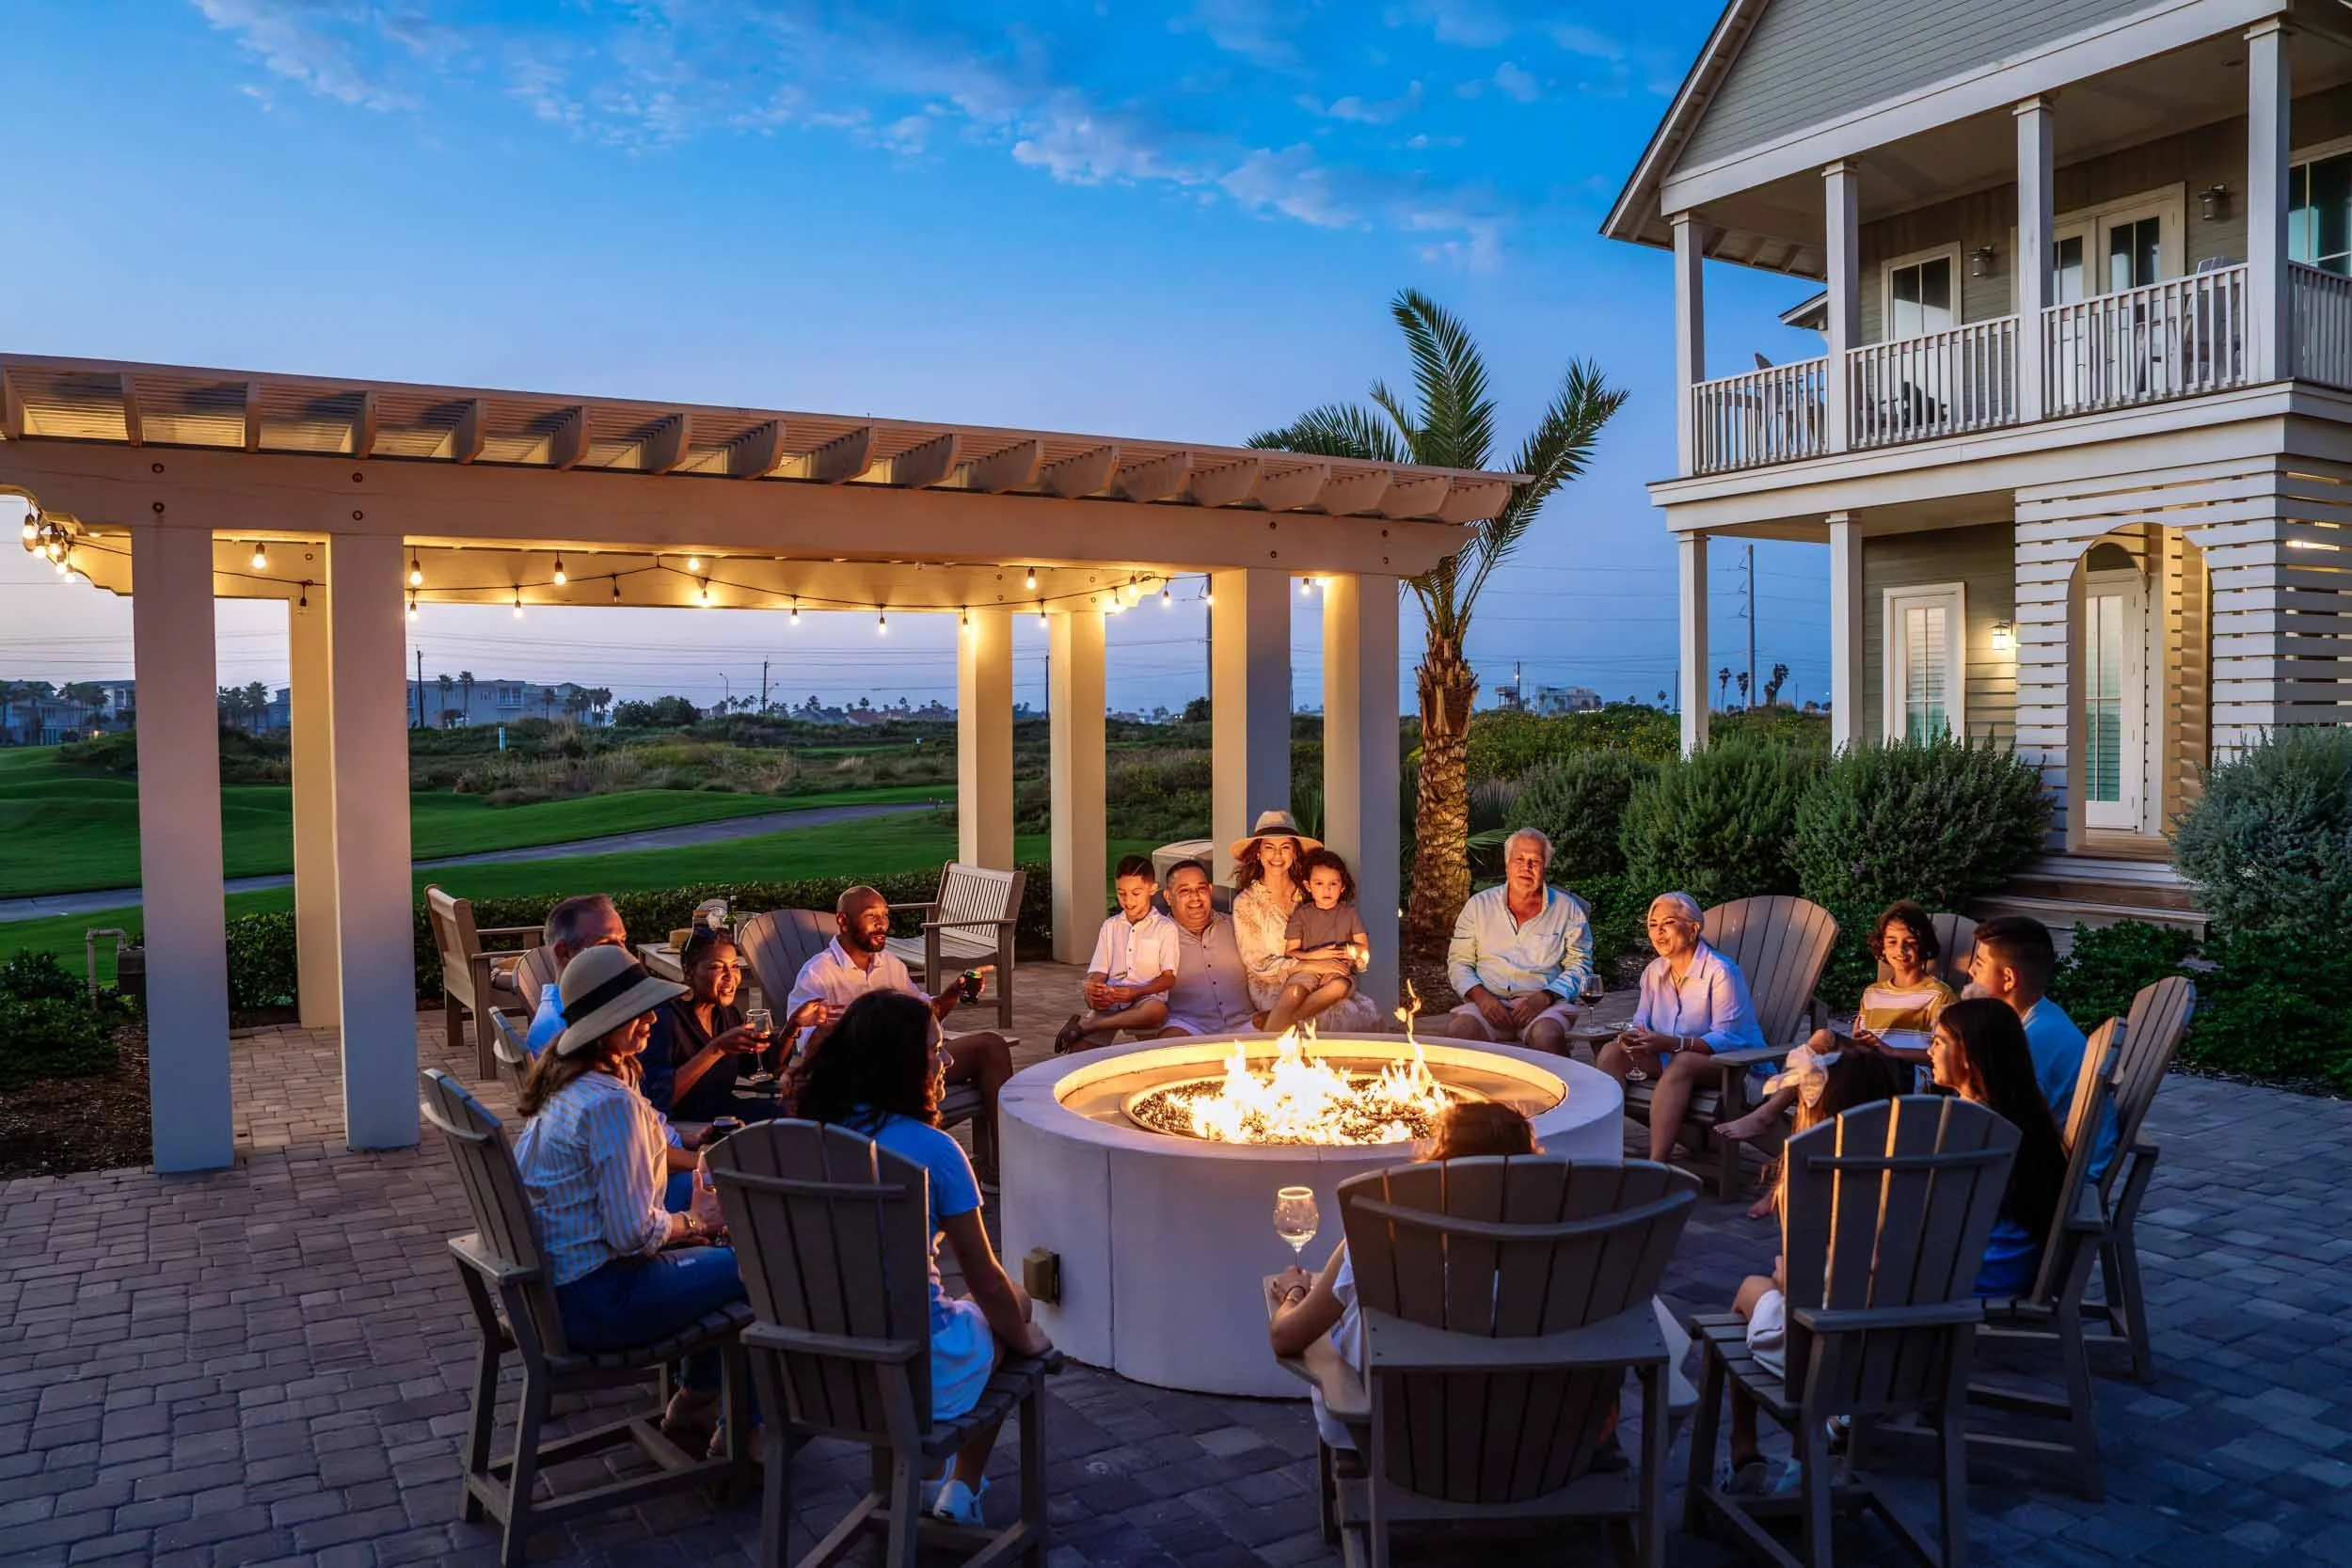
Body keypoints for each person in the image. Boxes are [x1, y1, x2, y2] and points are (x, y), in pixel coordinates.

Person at [789, 990, 1053, 1527]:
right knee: (1015, 1304)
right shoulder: (933, 1152)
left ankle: (925, 1483)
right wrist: (1028, 1342)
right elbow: (985, 1280)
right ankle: (963, 1487)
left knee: (943, 1308)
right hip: (912, 1375)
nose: (947, 1061)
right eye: (935, 1050)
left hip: (812, 1370)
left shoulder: (796, 1139)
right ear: (899, 1065)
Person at [512, 944, 742, 1450]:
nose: (653, 1019)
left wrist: (685, 1222)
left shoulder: (568, 1083)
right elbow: (633, 1235)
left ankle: (698, 1400)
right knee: (758, 1267)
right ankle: (737, 1423)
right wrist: (694, 1222)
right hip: (599, 1302)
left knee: (716, 1243)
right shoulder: (611, 1103)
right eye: (639, 1011)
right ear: (604, 1024)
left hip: (553, 1293)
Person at [1266, 1102, 1538, 1451]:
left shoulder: (1377, 1231)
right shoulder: (1554, 1246)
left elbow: (1285, 1338)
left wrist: (1295, 1291)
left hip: (1394, 1444)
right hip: (1521, 1444)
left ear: (1441, 1162)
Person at [1715, 1048, 1914, 1497]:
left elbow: (1803, 1290)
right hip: (1907, 1351)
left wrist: (1783, 1275)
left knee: (1751, 1290)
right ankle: (1803, 1455)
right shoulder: (1922, 1173)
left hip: (1829, 1353)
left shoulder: (1814, 1180)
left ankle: (1748, 1447)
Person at [785, 884, 1016, 1181]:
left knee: (991, 1046)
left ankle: (1006, 1166)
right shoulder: (818, 973)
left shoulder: (890, 965)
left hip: (911, 1064)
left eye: (885, 915)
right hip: (862, 1079)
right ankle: (921, 1166)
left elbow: (925, 1017)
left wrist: (952, 994)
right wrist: (840, 1028)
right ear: (843, 921)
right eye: (871, 916)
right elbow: (807, 1050)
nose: (882, 924)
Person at [1716, 900, 1955, 1148]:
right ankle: (1799, 1136)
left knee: (1826, 1066)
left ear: (1924, 945)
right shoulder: (1873, 993)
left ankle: (1770, 1116)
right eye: (1892, 941)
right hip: (1872, 1068)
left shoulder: (1939, 994)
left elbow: (1950, 1054)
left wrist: (1892, 1051)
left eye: (1910, 942)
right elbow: (1866, 1039)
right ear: (1882, 946)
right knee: (1823, 1041)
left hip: (1912, 1078)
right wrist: (1859, 1042)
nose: (1900, 950)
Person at [1595, 893, 1766, 1163]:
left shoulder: (1721, 972)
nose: (1658, 932)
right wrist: (1633, 1036)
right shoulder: (1654, 972)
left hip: (1734, 1067)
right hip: (1671, 1058)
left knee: (1684, 1061)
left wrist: (1671, 1043)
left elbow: (1728, 1038)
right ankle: (1606, 1151)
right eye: (1653, 925)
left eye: (1668, 923)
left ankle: (1657, 1164)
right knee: (1611, 1052)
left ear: (1693, 928)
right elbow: (1641, 1019)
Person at [1929, 997, 2073, 1298]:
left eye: (1939, 1042)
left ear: (1968, 1055)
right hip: (1998, 1262)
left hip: (1981, 1274)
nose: (1929, 1051)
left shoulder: (1979, 1128)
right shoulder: (2016, 1111)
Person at [1966, 915, 2116, 1175]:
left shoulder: (2033, 1039)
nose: (1970, 971)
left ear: (2009, 978)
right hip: (2055, 1156)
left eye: (1979, 964)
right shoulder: (2040, 1016)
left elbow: (1997, 1126)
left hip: (2061, 1174)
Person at [1437, 828, 1594, 1055]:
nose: (1526, 868)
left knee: (1548, 1035)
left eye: (1535, 861)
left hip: (1544, 1006)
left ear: (1545, 867)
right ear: (1507, 864)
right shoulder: (1478, 906)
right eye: (1519, 859)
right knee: (1460, 1031)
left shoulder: (1567, 909)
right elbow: (1459, 962)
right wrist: (1483, 999)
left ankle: (1561, 1080)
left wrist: (1545, 997)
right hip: (1487, 1004)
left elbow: (1580, 964)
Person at [1230, 809, 1380, 1033]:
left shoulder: (1310, 890)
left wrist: (1341, 962)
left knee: (1350, 1009)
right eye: (1269, 847)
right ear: (1258, 853)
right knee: (1325, 1016)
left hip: (1325, 978)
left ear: (1295, 852)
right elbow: (1258, 964)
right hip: (1273, 985)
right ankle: (1271, 1039)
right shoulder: (1247, 902)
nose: (1277, 855)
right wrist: (1312, 964)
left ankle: (1279, 1024)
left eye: (1285, 847)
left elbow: (1342, 935)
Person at [644, 927, 812, 1123]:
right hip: (686, 1126)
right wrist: (716, 1049)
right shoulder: (663, 1020)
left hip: (727, 1114)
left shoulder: (725, 1014)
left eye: (734, 966)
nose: (730, 976)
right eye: (717, 967)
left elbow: (763, 1066)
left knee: (804, 1107)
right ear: (689, 971)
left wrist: (793, 1026)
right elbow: (658, 1100)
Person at [1056, 855, 1180, 1052]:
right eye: (1122, 893)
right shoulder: (1110, 926)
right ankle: (1093, 1026)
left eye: (1136, 893)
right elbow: (1099, 971)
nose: (1128, 901)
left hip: (1146, 998)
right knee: (1078, 1050)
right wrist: (1095, 989)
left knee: (1157, 1011)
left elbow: (1168, 979)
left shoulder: (1165, 928)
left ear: (1152, 889)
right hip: (1112, 999)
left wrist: (1135, 992)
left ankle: (1089, 1025)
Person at [1149, 860, 1259, 1038]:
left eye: (1201, 889)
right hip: (1189, 1025)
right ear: (1168, 897)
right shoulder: (1156, 937)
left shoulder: (1237, 925)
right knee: (1167, 1045)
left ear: (1210, 890)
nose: (1195, 897)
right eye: (1185, 891)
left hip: (1246, 1021)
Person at [1265, 848, 1371, 1034]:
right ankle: (1267, 1036)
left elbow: (1363, 947)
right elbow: (1291, 952)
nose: (1326, 890)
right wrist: (1317, 956)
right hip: (1308, 968)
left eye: (1333, 884)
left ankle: (1291, 1020)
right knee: (1293, 992)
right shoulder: (1302, 914)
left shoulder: (1349, 913)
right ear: (1308, 886)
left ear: (1342, 886)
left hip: (1337, 970)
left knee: (1338, 987)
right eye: (1319, 883)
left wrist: (1350, 952)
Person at [523, 893, 628, 1056]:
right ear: (563, 953)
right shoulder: (570, 1032)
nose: (624, 953)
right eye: (605, 944)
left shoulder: (574, 1008)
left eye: (623, 941)